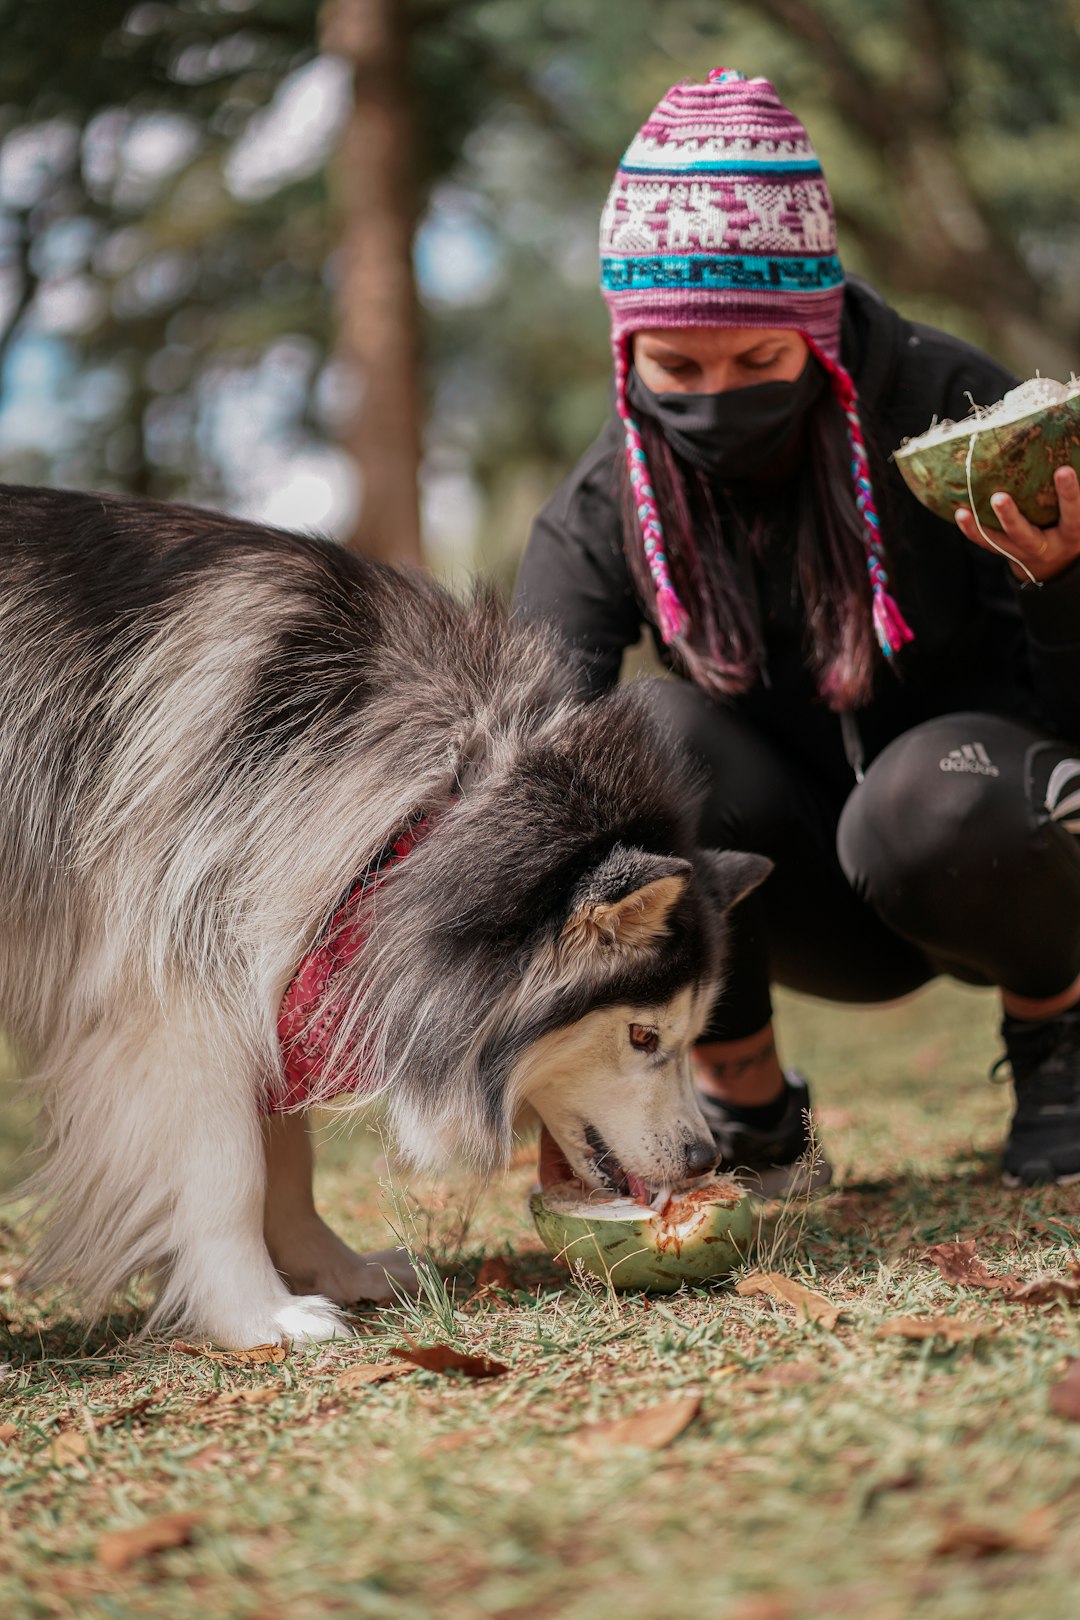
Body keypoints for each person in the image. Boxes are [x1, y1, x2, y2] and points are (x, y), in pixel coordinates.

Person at [515, 68, 1080, 1195]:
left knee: (934, 793)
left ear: (816, 334)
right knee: (636, 737)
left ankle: (1058, 1049)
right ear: (628, 352)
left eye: (759, 362)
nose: (716, 395)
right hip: (794, 898)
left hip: (1001, 834)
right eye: (678, 367)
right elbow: (523, 770)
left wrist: (1066, 586)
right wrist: (557, 1043)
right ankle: (746, 1105)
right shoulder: (608, 501)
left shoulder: (950, 412)